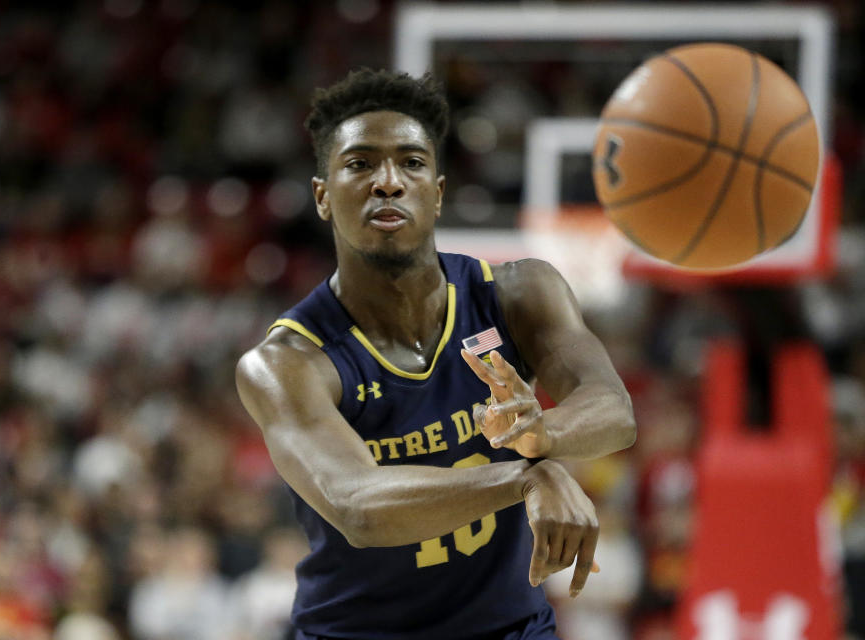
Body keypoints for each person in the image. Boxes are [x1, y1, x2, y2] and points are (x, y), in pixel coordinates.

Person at [235, 68, 637, 640]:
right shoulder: (287, 361)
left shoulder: (521, 292)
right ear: (323, 197)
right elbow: (358, 506)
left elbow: (614, 411)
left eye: (412, 162)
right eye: (360, 164)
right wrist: (525, 478)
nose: (388, 182)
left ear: (438, 192)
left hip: (511, 628)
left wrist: (541, 434)